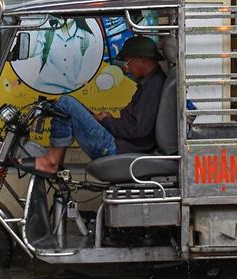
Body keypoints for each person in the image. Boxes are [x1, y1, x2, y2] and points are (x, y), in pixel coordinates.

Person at [31, 35, 166, 174]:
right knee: (71, 111)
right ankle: (56, 162)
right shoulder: (151, 82)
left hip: (116, 148)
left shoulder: (154, 86)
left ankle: (52, 161)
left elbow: (138, 129)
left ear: (142, 59)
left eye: (128, 62)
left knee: (66, 104)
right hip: (123, 143)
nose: (127, 68)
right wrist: (107, 119)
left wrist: (107, 121)